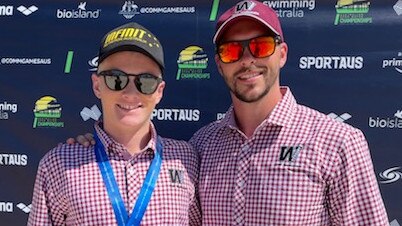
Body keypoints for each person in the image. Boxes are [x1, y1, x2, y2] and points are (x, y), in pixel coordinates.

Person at [68, 0, 389, 225]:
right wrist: (96, 146)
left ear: (282, 53)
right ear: (220, 64)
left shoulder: (337, 142)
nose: (247, 59)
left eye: (260, 46)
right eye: (232, 50)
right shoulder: (202, 147)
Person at [28, 22, 201, 226]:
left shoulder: (186, 159)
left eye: (145, 81)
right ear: (97, 85)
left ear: (159, 91)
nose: (129, 93)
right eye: (116, 79)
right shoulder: (58, 164)